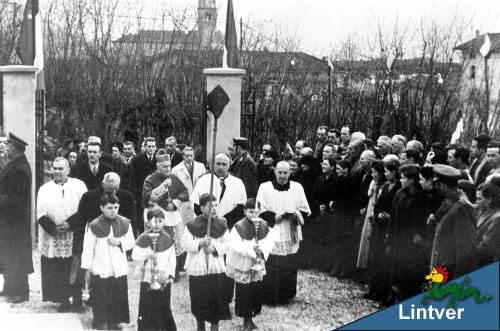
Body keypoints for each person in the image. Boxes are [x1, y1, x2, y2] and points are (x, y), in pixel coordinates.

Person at [36, 157, 87, 312]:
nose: (57, 171)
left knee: (75, 265)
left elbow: (85, 209)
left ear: (68, 170)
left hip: (73, 233)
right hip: (53, 235)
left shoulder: (79, 186)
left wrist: (69, 223)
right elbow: (40, 212)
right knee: (58, 268)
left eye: (60, 168)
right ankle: (63, 299)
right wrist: (54, 228)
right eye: (55, 168)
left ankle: (77, 299)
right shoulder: (44, 189)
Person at [257, 161, 311, 305]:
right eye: (279, 172)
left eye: (285, 172)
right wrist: (273, 217)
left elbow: (305, 209)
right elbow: (259, 209)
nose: (282, 175)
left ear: (290, 173)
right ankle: (268, 295)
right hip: (272, 229)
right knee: (272, 261)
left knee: (289, 261)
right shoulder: (265, 187)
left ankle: (286, 294)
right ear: (274, 171)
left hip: (290, 230)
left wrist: (295, 215)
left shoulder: (297, 187)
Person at [81, 194, 135, 330]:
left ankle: (115, 323)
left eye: (116, 207)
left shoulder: (125, 223)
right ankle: (101, 323)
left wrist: (119, 242)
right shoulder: (94, 226)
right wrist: (86, 270)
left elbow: (131, 242)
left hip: (118, 269)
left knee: (117, 297)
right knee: (101, 298)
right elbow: (87, 249)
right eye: (109, 208)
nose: (113, 211)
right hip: (101, 268)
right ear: (102, 208)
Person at [181, 193, 231, 331]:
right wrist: (200, 243)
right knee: (198, 297)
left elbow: (228, 244)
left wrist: (214, 248)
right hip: (198, 266)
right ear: (202, 208)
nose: (214, 208)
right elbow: (184, 244)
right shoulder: (192, 225)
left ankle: (214, 324)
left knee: (216, 297)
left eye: (215, 205)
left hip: (215, 267)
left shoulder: (222, 225)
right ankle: (200, 324)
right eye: (210, 206)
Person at [226, 199, 276, 331]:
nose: (254, 215)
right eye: (251, 211)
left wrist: (262, 250)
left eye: (256, 212)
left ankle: (252, 316)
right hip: (244, 261)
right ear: (245, 211)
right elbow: (235, 244)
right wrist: (252, 251)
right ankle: (245, 319)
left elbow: (270, 241)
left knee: (256, 289)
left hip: (257, 261)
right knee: (244, 291)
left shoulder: (264, 225)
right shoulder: (239, 226)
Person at [142, 149, 190, 280]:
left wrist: (174, 203)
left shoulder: (174, 177)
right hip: (157, 214)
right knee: (161, 242)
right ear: (158, 166)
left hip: (172, 214)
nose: (168, 168)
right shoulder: (150, 179)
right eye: (165, 166)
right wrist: (163, 186)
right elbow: (149, 198)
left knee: (174, 242)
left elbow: (184, 192)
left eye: (169, 166)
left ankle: (174, 272)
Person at [386, 164, 429, 302]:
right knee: (395, 270)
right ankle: (393, 297)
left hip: (410, 242)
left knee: (407, 273)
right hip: (397, 238)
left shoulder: (420, 197)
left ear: (412, 180)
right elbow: (392, 218)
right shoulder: (399, 194)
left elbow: (420, 221)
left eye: (403, 178)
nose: (400, 181)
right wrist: (388, 239)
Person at [0, 133, 33, 303]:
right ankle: (10, 289)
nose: (5, 148)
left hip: (15, 220)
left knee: (15, 256)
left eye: (7, 145)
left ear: (14, 148)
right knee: (10, 254)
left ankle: (19, 292)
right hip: (11, 220)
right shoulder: (16, 164)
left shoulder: (20, 168)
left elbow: (15, 198)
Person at [430, 164, 478, 279]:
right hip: (442, 267)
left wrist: (459, 277)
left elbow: (466, 248)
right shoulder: (450, 201)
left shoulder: (462, 207)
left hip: (450, 272)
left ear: (442, 185)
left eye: (437, 185)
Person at [133, 207, 177, 331]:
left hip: (163, 280)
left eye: (160, 221)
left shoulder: (168, 239)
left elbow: (172, 260)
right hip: (148, 279)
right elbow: (136, 256)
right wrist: (146, 256)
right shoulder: (143, 238)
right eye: (154, 221)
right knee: (146, 307)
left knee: (163, 307)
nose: (157, 224)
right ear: (148, 222)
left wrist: (167, 274)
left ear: (164, 222)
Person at [367, 159, 401, 303]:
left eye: (387, 171)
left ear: (394, 172)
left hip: (388, 226)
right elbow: (379, 203)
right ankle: (373, 289)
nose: (385, 174)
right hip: (379, 224)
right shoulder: (386, 186)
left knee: (384, 260)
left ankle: (382, 292)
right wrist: (377, 214)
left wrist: (388, 216)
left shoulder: (398, 187)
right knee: (376, 257)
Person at [357, 160, 386, 273]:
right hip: (370, 208)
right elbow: (369, 193)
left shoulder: (383, 185)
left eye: (374, 172)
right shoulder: (374, 183)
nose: (372, 175)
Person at [130, 137, 158, 234]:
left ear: (156, 147)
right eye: (149, 146)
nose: (151, 149)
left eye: (153, 146)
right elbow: (133, 179)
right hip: (141, 196)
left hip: (157, 194)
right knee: (143, 221)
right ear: (145, 147)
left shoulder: (158, 159)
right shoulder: (137, 159)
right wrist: (135, 196)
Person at [476, 183, 500, 267]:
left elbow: (486, 248)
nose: (476, 202)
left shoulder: (497, 218)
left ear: (489, 199)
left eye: (479, 199)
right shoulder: (481, 210)